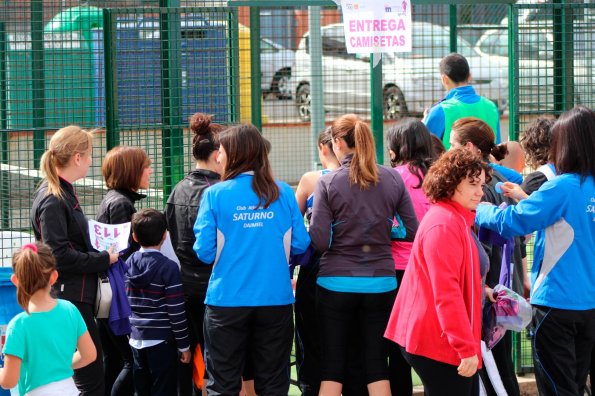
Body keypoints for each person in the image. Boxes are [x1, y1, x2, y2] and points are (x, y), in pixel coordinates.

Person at [476, 106, 595, 396]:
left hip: (556, 304)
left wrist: (480, 208)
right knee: (575, 385)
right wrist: (526, 197)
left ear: (564, 144)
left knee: (556, 388)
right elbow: (568, 224)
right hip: (589, 306)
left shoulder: (561, 187)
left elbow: (513, 221)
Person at [193, 124, 310, 395]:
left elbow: (204, 251)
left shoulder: (215, 194)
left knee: (222, 384)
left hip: (226, 301)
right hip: (275, 300)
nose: (217, 157)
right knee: (273, 383)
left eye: (220, 151)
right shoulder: (282, 192)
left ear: (233, 154)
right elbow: (302, 244)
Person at [308, 114, 419, 396]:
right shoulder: (392, 178)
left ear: (337, 143)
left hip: (334, 284)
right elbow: (410, 230)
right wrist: (384, 233)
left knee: (332, 368)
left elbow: (319, 241)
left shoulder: (328, 182)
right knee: (377, 367)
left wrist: (341, 235)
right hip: (381, 283)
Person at [385, 147, 491, 396]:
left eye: (482, 184)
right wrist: (465, 348)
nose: (480, 191)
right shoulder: (444, 224)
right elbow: (446, 293)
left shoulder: (455, 218)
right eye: (473, 184)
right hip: (436, 341)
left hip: (441, 338)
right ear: (451, 183)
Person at [30, 125, 119, 396]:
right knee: (90, 379)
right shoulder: (53, 198)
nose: (92, 161)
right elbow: (58, 255)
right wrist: (103, 258)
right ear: (77, 157)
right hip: (69, 296)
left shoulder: (61, 192)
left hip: (74, 295)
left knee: (88, 374)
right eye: (90, 154)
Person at [449, 117, 523, 396]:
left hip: (487, 289)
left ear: (468, 147)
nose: (448, 149)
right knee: (501, 364)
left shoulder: (480, 186)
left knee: (494, 369)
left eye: (453, 144)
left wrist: (481, 287)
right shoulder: (505, 178)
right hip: (503, 286)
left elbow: (484, 247)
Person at [165, 112, 224, 396]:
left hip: (184, 286)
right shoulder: (218, 192)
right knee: (217, 356)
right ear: (216, 155)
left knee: (189, 352)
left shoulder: (178, 189)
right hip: (215, 285)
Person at [0, 242, 97, 395]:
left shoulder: (17, 325)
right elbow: (89, 355)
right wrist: (59, 364)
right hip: (70, 390)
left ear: (15, 280)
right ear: (54, 276)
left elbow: (9, 381)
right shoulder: (70, 309)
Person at [385, 118, 435, 396]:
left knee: (397, 343)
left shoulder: (394, 177)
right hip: (434, 269)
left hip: (399, 269)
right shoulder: (440, 174)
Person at [96, 145, 151, 396]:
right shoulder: (121, 205)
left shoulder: (114, 200)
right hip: (118, 297)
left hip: (108, 294)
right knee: (131, 360)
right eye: (146, 167)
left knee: (115, 359)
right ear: (132, 171)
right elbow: (123, 255)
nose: (150, 172)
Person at [293, 127, 342, 396]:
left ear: (324, 148)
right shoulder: (370, 177)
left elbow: (293, 226)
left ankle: (311, 387)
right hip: (360, 266)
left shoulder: (312, 179)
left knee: (311, 334)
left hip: (318, 267)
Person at [125, 208, 191, 395]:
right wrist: (184, 345)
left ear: (135, 237)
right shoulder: (169, 268)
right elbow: (176, 311)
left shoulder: (128, 263)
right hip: (162, 341)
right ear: (164, 236)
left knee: (141, 389)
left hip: (136, 338)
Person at [423, 53, 501, 150]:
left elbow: (423, 149)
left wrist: (424, 122)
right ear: (469, 76)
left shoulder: (439, 111)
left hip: (451, 165)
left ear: (444, 79)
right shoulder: (491, 107)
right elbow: (497, 145)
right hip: (487, 165)